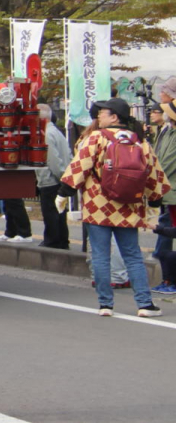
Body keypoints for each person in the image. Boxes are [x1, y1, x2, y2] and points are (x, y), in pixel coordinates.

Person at [58, 97, 169, 316]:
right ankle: (145, 304)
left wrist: (64, 191)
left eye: (103, 113)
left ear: (114, 117)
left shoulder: (96, 138)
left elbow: (80, 166)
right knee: (133, 256)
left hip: (98, 205)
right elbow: (153, 172)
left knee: (100, 256)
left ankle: (105, 304)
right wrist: (155, 200)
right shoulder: (139, 141)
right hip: (129, 205)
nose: (99, 116)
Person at [35, 104, 71, 250]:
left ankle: (53, 241)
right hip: (60, 177)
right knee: (59, 211)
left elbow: (52, 159)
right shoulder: (56, 131)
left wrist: (60, 175)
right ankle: (61, 240)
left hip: (51, 179)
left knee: (50, 212)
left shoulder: (46, 134)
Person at [150, 100, 176, 262]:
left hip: (171, 187)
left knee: (169, 223)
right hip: (169, 188)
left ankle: (162, 256)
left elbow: (168, 162)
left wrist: (154, 179)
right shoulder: (168, 131)